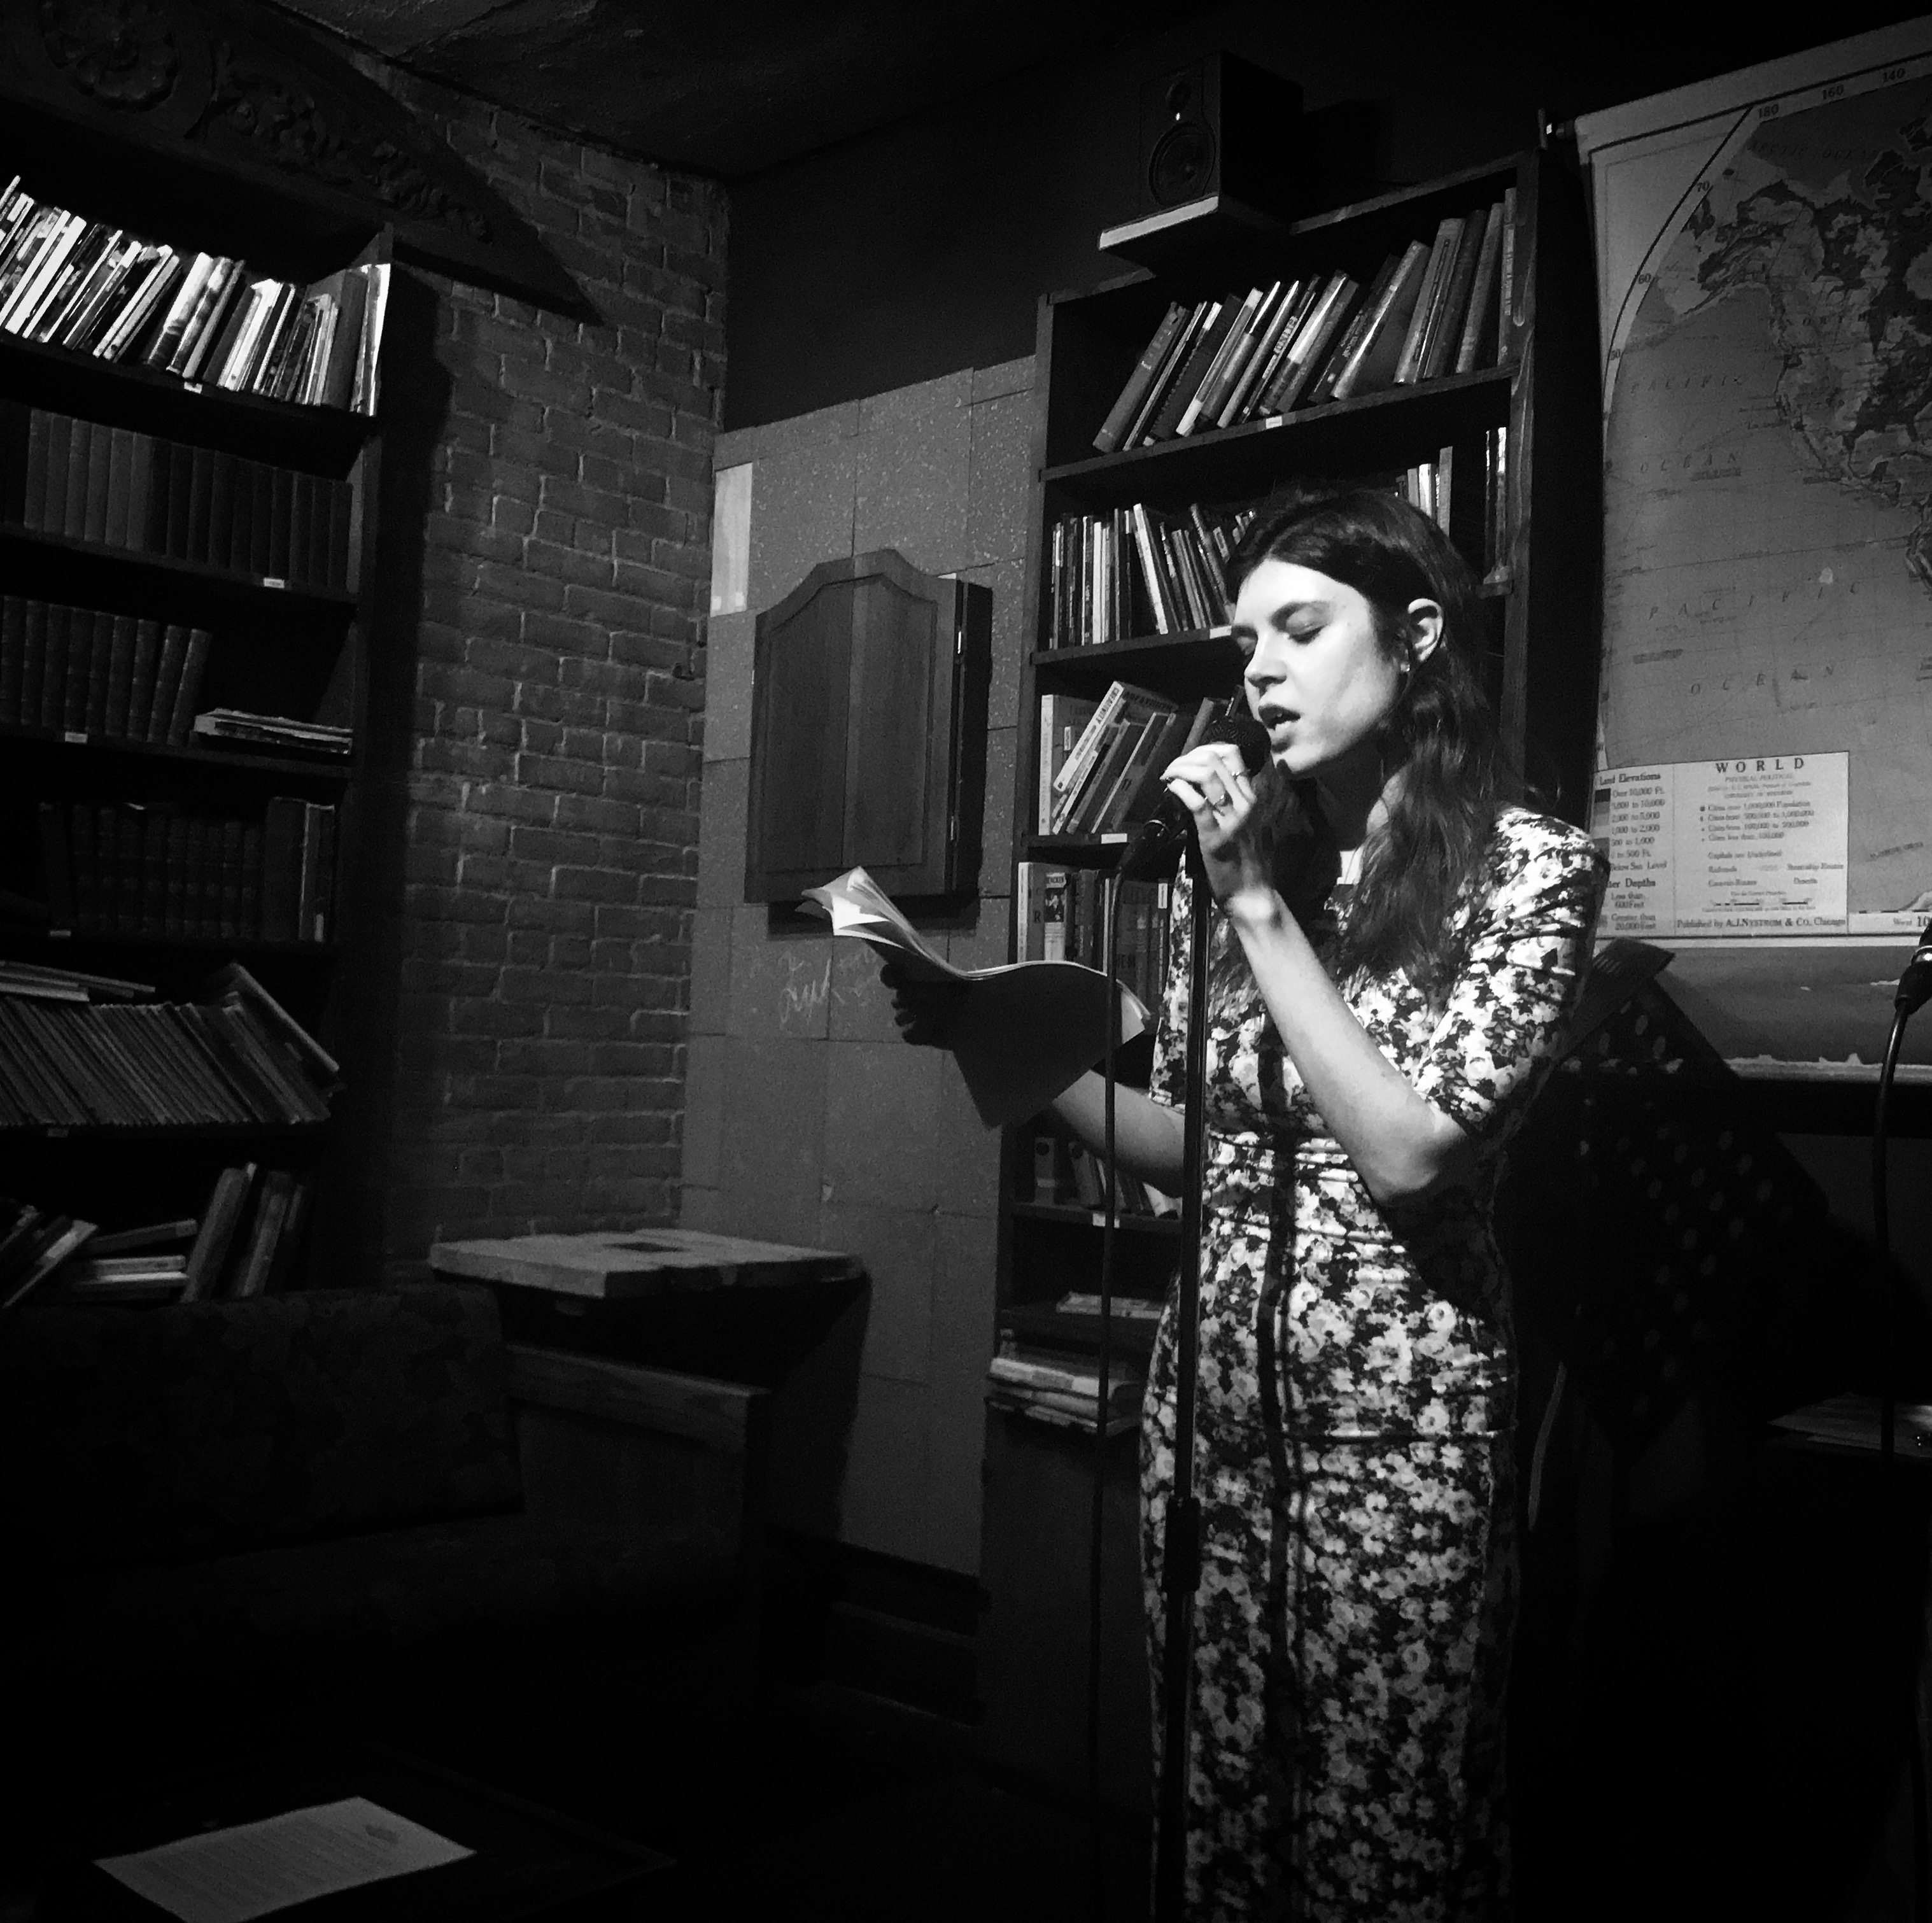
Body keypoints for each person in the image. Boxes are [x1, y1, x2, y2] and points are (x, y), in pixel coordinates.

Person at [889, 486, 1607, 1921]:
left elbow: (1409, 1152)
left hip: (1398, 1430)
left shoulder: (1531, 870)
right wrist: (1000, 1043)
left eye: (1300, 628)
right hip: (1213, 1413)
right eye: (1245, 643)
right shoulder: (1243, 873)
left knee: (1386, 1825)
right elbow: (1197, 1152)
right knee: (1220, 1804)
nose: (1261, 672)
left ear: (1416, 635)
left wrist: (1259, 912)